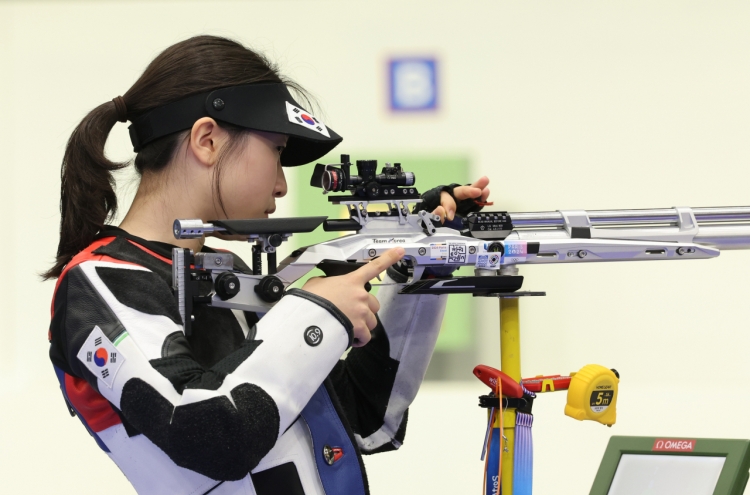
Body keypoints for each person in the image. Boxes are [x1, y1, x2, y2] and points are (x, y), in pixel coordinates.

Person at [45, 35, 491, 495]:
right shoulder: (99, 281)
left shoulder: (224, 274)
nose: (280, 185)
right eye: (276, 150)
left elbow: (365, 418)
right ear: (207, 140)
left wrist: (420, 263)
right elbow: (212, 434)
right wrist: (318, 310)